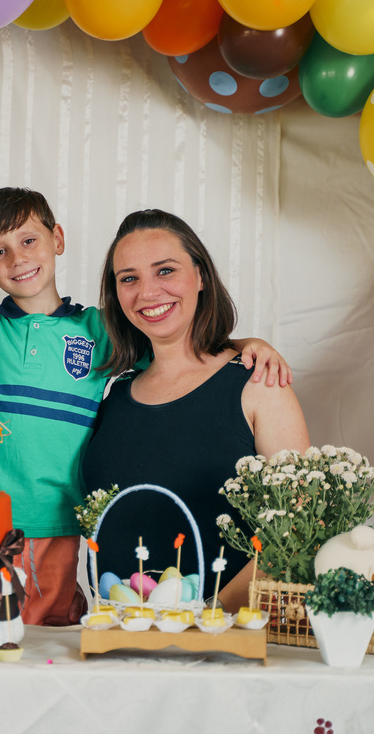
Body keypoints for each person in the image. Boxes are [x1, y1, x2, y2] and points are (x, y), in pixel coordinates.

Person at [0, 189, 293, 625]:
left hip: (61, 528)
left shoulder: (101, 330)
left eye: (29, 241)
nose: (18, 258)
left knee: (50, 630)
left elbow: (180, 347)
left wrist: (246, 344)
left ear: (57, 239)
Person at [81, 209, 310, 614]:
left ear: (201, 276)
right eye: (129, 278)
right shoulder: (112, 393)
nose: (147, 292)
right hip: (116, 634)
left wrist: (209, 616)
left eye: (165, 271)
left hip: (223, 635)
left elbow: (300, 528)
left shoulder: (259, 384)